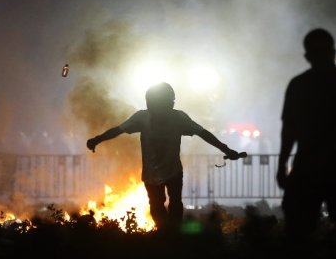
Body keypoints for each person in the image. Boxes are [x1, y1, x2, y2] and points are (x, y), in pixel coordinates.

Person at [86, 82, 245, 232]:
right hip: (150, 174)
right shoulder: (142, 117)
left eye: (159, 103)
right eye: (153, 103)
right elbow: (118, 130)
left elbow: (203, 133)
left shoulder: (179, 118)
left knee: (175, 203)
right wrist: (97, 139)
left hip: (173, 171)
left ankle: (172, 234)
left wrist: (226, 149)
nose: (156, 108)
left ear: (169, 104)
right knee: (156, 206)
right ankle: (165, 233)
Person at [276, 28, 336, 239]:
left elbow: (289, 130)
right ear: (333, 52)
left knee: (298, 231)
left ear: (307, 56)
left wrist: (282, 166)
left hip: (308, 165)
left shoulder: (298, 85)